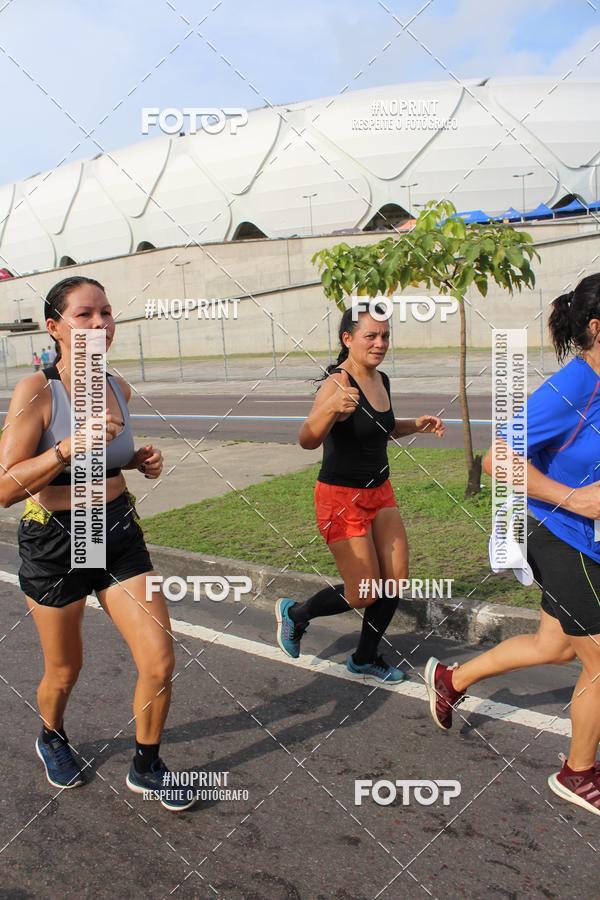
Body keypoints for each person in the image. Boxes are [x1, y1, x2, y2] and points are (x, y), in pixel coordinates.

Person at [0, 275, 194, 812]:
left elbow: (109, 457)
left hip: (116, 531)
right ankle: (51, 735)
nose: (100, 323)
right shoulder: (37, 392)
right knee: (65, 669)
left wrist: (138, 459)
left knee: (159, 658)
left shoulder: (117, 387)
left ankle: (147, 766)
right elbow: (5, 488)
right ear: (55, 326)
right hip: (56, 540)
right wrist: (66, 448)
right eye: (84, 314)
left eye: (106, 312)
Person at [424, 272, 600, 818]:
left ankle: (452, 679)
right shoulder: (574, 386)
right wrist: (574, 499)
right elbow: (497, 458)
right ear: (598, 328)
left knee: (555, 647)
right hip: (558, 533)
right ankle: (577, 773)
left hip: (587, 539)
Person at [275, 303, 445, 683]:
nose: (380, 343)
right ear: (348, 339)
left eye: (385, 336)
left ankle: (364, 657)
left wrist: (414, 425)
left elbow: (380, 429)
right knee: (364, 591)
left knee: (394, 581)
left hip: (379, 493)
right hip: (340, 498)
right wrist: (330, 409)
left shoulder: (381, 379)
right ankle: (295, 614)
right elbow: (306, 439)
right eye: (371, 335)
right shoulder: (337, 384)